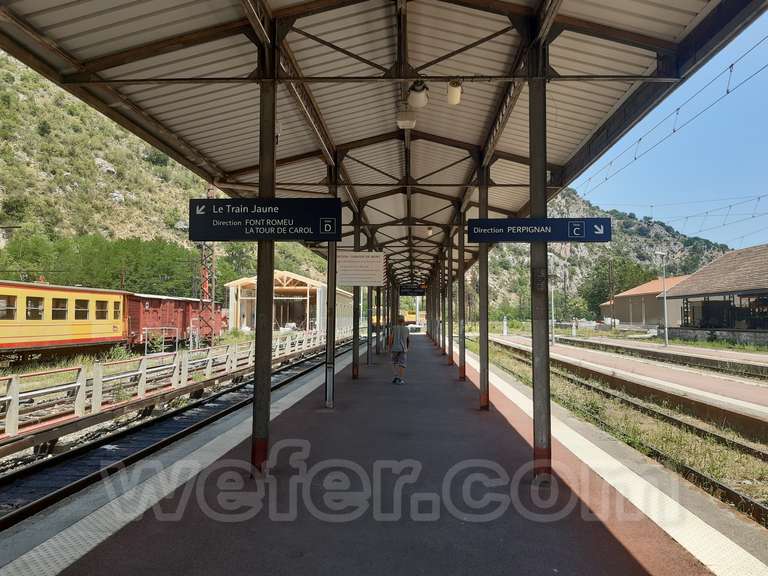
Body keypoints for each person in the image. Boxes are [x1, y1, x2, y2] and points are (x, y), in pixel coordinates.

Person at [388, 314, 410, 385]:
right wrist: (407, 348)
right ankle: (400, 379)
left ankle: (395, 376)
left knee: (393, 362)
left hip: (394, 348)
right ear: (404, 321)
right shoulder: (406, 329)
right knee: (402, 364)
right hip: (403, 349)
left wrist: (389, 347)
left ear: (397, 321)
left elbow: (391, 339)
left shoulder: (394, 328)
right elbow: (408, 340)